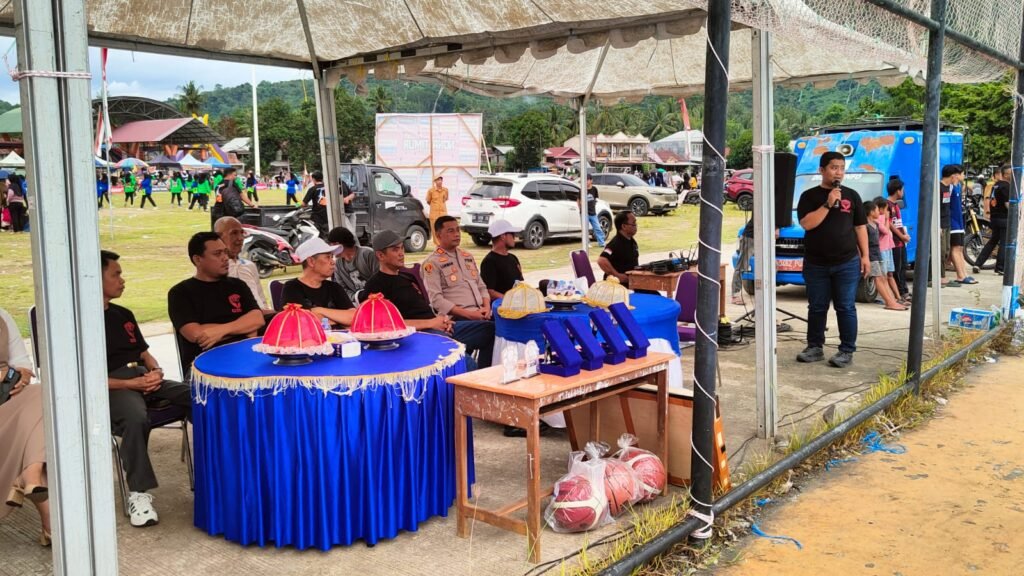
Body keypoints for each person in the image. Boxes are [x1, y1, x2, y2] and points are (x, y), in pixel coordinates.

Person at [101, 250, 191, 528]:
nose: (122, 280)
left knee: (199, 396)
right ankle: (138, 493)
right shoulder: (78, 323)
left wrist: (156, 371)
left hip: (143, 377)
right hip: (113, 385)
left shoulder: (123, 314)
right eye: (116, 274)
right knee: (135, 417)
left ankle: (218, 469)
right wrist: (131, 384)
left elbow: (143, 353)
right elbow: (82, 379)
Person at [364, 229, 494, 370]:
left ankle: (485, 374)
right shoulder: (376, 285)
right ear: (380, 255)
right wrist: (431, 323)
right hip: (417, 336)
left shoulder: (405, 277)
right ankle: (473, 378)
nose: (401, 253)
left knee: (491, 330)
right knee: (466, 363)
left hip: (436, 326)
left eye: (402, 248)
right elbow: (382, 326)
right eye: (395, 250)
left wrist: (441, 320)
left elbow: (423, 308)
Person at [795, 151, 869, 368]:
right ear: (822, 170)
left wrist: (866, 256)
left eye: (842, 168)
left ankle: (846, 350)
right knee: (817, 307)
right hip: (816, 263)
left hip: (847, 262)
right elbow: (807, 224)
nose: (838, 172)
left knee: (845, 307)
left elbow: (860, 227)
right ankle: (814, 347)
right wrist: (828, 204)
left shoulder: (852, 196)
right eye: (834, 167)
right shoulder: (809, 196)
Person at [168, 232, 264, 376]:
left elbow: (257, 319)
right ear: (198, 259)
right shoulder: (180, 293)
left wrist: (219, 331)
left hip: (246, 357)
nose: (225, 258)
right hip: (203, 367)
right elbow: (196, 334)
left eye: (225, 252)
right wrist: (243, 328)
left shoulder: (238, 285)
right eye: (217, 254)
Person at [0, 307, 50, 546]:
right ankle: (30, 477)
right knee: (35, 431)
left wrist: (21, 376)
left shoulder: (1, 316)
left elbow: (21, 362)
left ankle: (29, 475)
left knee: (43, 394)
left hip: (7, 400)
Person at [422, 216, 493, 323]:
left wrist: (487, 308)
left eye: (457, 230)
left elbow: (481, 287)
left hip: (480, 312)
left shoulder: (467, 257)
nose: (456, 234)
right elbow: (436, 300)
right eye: (450, 231)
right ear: (438, 235)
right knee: (492, 328)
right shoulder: (432, 263)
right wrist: (469, 314)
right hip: (456, 318)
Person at [282, 238, 356, 327]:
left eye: (332, 257)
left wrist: (319, 310)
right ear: (311, 261)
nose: (333, 262)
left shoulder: (334, 287)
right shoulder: (292, 288)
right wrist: (339, 319)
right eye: (327, 257)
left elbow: (354, 317)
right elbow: (300, 321)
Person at [213, 216, 273, 314]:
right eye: (234, 233)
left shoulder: (249, 265)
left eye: (242, 233)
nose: (240, 238)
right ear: (218, 237)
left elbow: (262, 301)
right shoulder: (213, 270)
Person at [864, 201, 906, 311]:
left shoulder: (875, 224)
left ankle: (891, 301)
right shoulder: (865, 226)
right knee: (878, 278)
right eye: (877, 210)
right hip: (871, 255)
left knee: (883, 278)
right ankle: (889, 302)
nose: (879, 212)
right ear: (871, 212)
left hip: (877, 254)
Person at [975, 164, 1012, 275]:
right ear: (1006, 175)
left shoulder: (996, 185)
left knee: (993, 241)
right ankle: (1000, 268)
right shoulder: (1006, 186)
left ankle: (978, 263)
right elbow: (1007, 204)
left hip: (995, 217)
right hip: (1003, 218)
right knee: (1004, 243)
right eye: (1012, 173)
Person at [327, 226, 379, 304]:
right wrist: (356, 297)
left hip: (377, 299)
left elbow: (380, 279)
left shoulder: (367, 254)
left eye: (331, 245)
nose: (331, 250)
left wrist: (369, 296)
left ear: (338, 244)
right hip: (356, 303)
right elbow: (341, 289)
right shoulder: (338, 265)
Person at [480, 219, 524, 300]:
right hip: (501, 305)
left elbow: (520, 283)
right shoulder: (489, 262)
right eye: (512, 234)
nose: (515, 237)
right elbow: (489, 291)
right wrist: (510, 300)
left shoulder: (513, 258)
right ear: (503, 236)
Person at [947, 174, 977, 285]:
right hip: (953, 223)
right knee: (955, 248)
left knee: (960, 248)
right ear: (956, 175)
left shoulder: (958, 187)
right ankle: (960, 275)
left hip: (959, 222)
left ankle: (964, 274)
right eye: (962, 173)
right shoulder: (950, 187)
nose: (964, 176)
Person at [598, 211, 640, 287]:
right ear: (624, 226)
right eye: (633, 223)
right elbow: (602, 260)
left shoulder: (632, 241)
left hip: (632, 283)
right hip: (618, 287)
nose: (636, 226)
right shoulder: (615, 243)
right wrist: (617, 276)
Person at [886, 178, 911, 301]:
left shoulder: (896, 205)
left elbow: (899, 223)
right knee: (896, 268)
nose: (903, 192)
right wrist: (901, 236)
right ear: (898, 191)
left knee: (903, 267)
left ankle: (904, 290)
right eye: (902, 189)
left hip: (901, 242)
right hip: (894, 242)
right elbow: (890, 223)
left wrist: (904, 234)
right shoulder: (887, 205)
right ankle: (900, 293)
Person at [937, 165, 962, 287]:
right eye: (957, 175)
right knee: (941, 251)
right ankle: (939, 276)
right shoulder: (939, 188)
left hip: (947, 223)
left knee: (946, 250)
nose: (958, 177)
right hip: (940, 224)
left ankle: (942, 275)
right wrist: (937, 225)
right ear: (952, 176)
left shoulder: (949, 188)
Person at [302, 171, 330, 237]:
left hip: (317, 218)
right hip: (328, 216)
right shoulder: (329, 188)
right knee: (327, 235)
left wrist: (297, 204)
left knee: (317, 235)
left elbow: (303, 204)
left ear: (313, 179)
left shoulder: (312, 189)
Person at [581, 175, 606, 248]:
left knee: (598, 228)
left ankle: (601, 243)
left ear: (591, 180)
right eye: (585, 180)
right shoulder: (582, 189)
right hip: (584, 213)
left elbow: (595, 199)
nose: (586, 181)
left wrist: (593, 205)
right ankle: (587, 243)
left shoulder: (594, 189)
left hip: (593, 213)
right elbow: (579, 200)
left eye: (587, 180)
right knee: (585, 229)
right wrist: (581, 210)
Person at [425, 175, 449, 241]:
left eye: (440, 180)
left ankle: (443, 243)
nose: (439, 181)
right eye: (438, 180)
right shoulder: (431, 191)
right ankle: (437, 244)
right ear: (435, 181)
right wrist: (434, 206)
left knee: (444, 229)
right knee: (435, 230)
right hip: (434, 214)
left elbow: (446, 199)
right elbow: (428, 201)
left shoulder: (445, 190)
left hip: (443, 214)